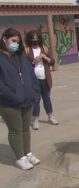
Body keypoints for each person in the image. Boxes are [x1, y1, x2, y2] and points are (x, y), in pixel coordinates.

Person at [0, 28, 40, 170]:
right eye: (13, 41)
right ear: (5, 39)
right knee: (15, 130)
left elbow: (31, 75)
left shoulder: (21, 56)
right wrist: (13, 95)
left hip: (27, 100)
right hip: (9, 103)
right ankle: (20, 157)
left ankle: (27, 153)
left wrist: (34, 92)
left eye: (18, 41)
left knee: (25, 130)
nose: (16, 44)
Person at [24, 30, 58, 130]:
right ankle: (35, 120)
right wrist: (35, 61)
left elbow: (52, 62)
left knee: (47, 98)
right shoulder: (27, 50)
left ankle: (50, 116)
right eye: (33, 38)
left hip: (45, 77)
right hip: (34, 79)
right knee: (36, 100)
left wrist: (46, 58)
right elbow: (25, 66)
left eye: (37, 38)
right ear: (30, 39)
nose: (35, 40)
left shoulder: (45, 48)